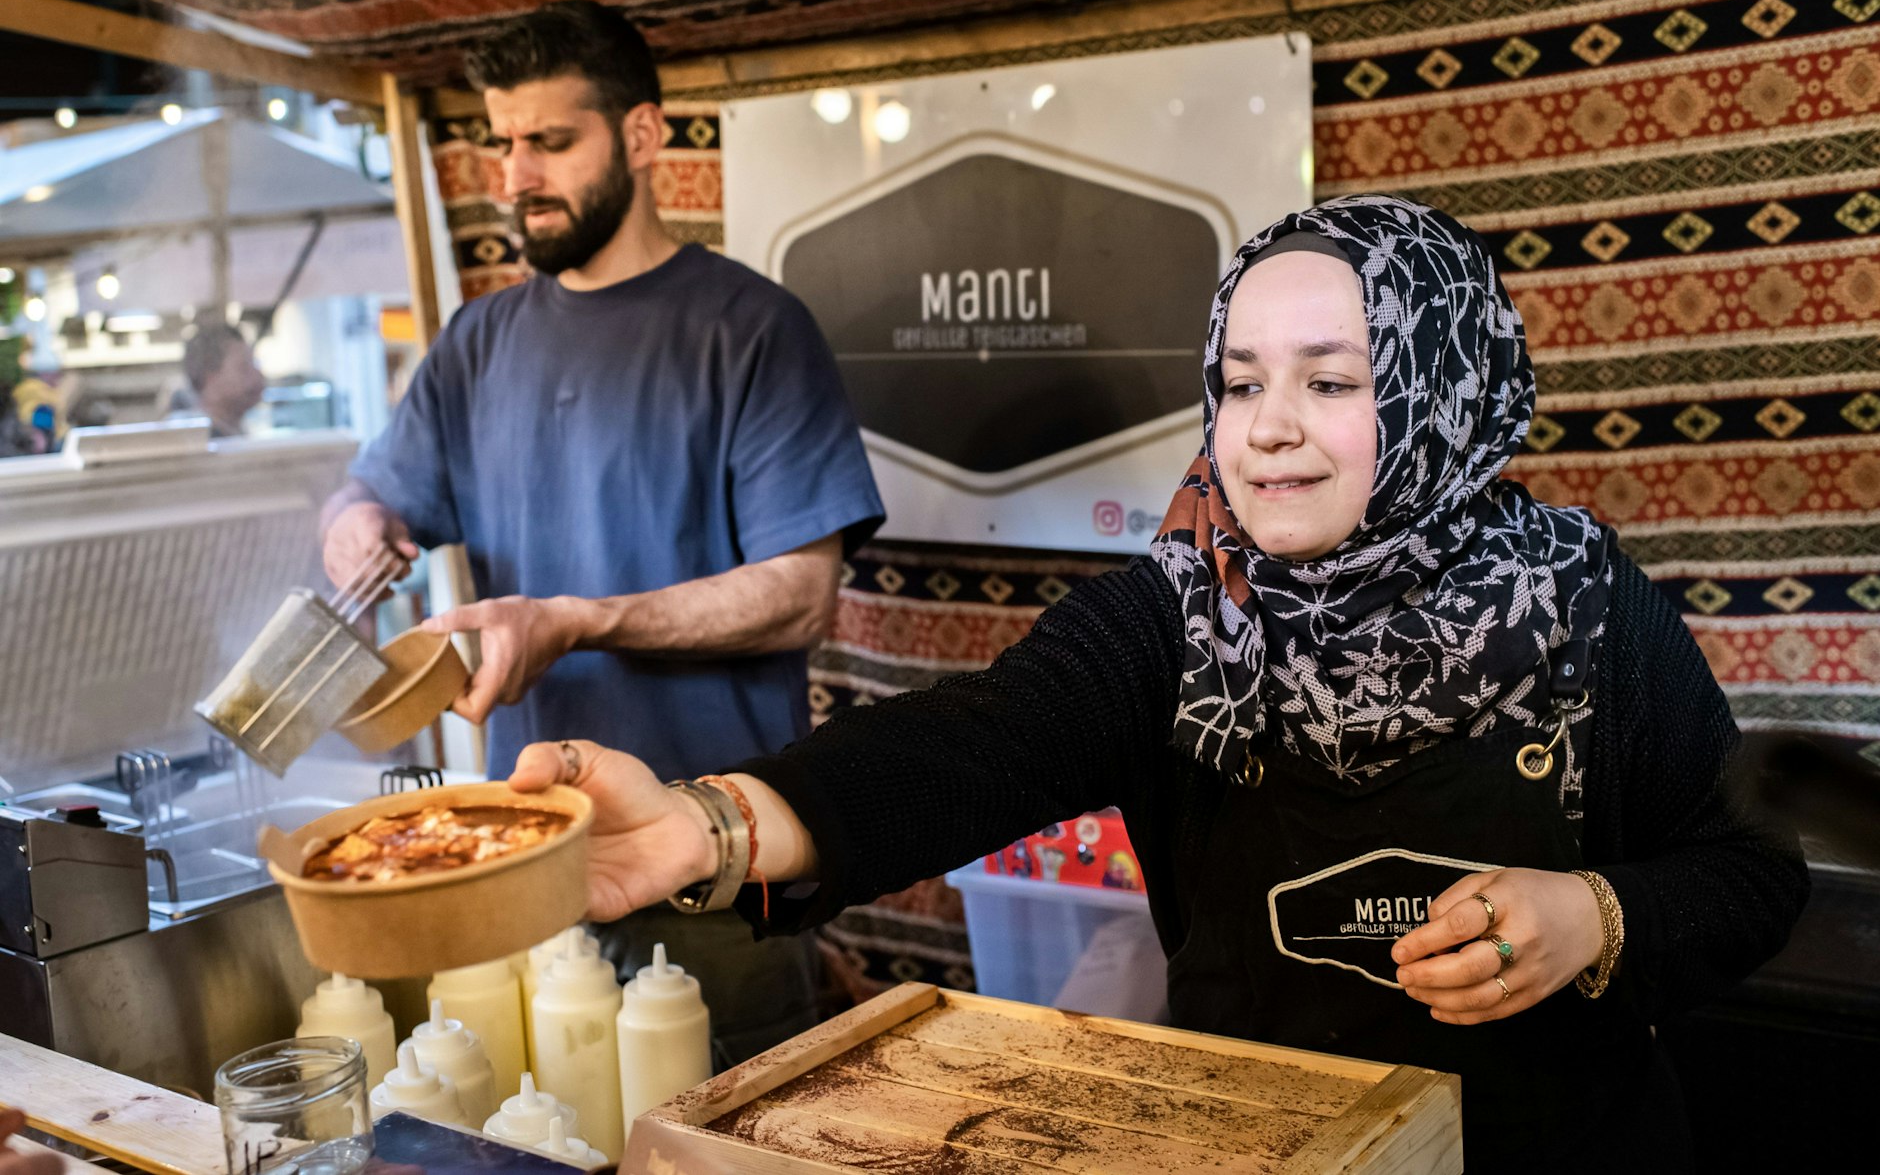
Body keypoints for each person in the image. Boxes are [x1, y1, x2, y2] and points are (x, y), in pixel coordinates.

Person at [511, 196, 1808, 1170]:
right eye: (1241, 381)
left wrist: (1596, 915)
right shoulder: (1188, 609)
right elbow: (984, 740)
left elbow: (1751, 875)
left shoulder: (1583, 601)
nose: (1268, 426)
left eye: (1334, 380)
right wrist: (713, 821)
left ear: (1440, 391)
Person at [320, 0, 883, 1066]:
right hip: (521, 868)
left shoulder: (752, 329)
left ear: (640, 135)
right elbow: (368, 494)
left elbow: (802, 592)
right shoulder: (478, 341)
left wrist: (575, 620)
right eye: (501, 141)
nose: (515, 174)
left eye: (550, 141)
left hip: (711, 859)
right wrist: (360, 527)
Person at [172, 323, 265, 437]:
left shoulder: (229, 433)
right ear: (209, 376)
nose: (258, 375)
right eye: (244, 367)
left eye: (254, 364)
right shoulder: (194, 439)